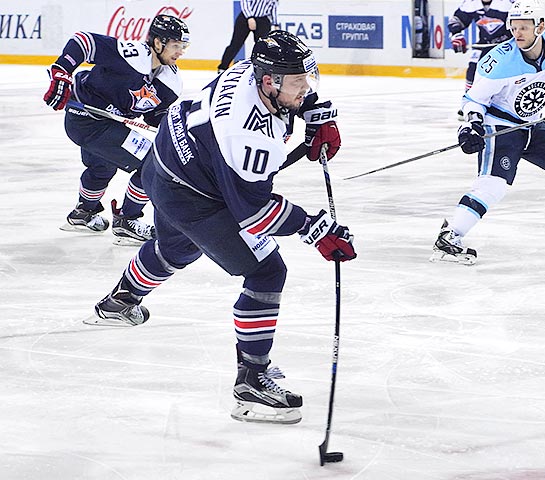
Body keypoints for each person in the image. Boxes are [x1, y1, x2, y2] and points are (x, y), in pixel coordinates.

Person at [90, 31, 354, 425]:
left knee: (176, 247)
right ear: (270, 81)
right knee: (266, 271)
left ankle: (121, 300)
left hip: (167, 162)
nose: (306, 87)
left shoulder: (252, 70)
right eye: (299, 82)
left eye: (306, 79)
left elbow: (291, 93)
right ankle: (252, 383)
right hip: (191, 190)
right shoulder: (247, 135)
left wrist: (315, 112)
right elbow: (255, 214)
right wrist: (314, 228)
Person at [431, 0, 545, 265]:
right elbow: (473, 100)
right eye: (514, 27)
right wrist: (470, 126)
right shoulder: (500, 60)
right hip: (500, 127)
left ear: (540, 27)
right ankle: (450, 236)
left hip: (532, 124)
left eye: (524, 28)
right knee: (493, 185)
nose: (517, 33)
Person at [43, 15, 190, 245]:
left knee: (102, 166)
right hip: (86, 119)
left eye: (183, 46)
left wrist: (175, 128)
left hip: (108, 123)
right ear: (158, 42)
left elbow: (154, 115)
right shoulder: (131, 55)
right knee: (153, 162)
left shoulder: (170, 81)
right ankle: (127, 220)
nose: (180, 52)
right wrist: (61, 72)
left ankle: (83, 213)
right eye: (176, 45)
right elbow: (83, 42)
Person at [448, 0, 514, 117]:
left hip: (508, 45)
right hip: (484, 44)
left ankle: (506, 105)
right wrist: (456, 35)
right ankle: (469, 104)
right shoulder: (471, 3)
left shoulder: (509, 3)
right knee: (473, 70)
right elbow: (456, 20)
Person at [217, 0, 279, 73]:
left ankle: (262, 69)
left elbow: (274, 7)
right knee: (236, 44)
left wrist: (276, 24)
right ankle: (223, 67)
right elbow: (245, 2)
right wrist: (250, 17)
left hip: (263, 20)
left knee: (263, 46)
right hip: (245, 17)